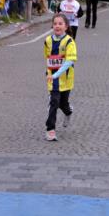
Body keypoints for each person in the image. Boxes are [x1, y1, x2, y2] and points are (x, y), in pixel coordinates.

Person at [43, 13, 77, 142]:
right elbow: (48, 59)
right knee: (54, 103)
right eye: (55, 23)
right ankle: (50, 130)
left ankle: (68, 112)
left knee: (63, 104)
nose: (57, 26)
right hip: (53, 80)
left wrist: (57, 73)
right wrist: (49, 73)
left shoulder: (69, 41)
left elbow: (69, 61)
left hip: (65, 79)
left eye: (60, 23)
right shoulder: (47, 41)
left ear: (66, 26)